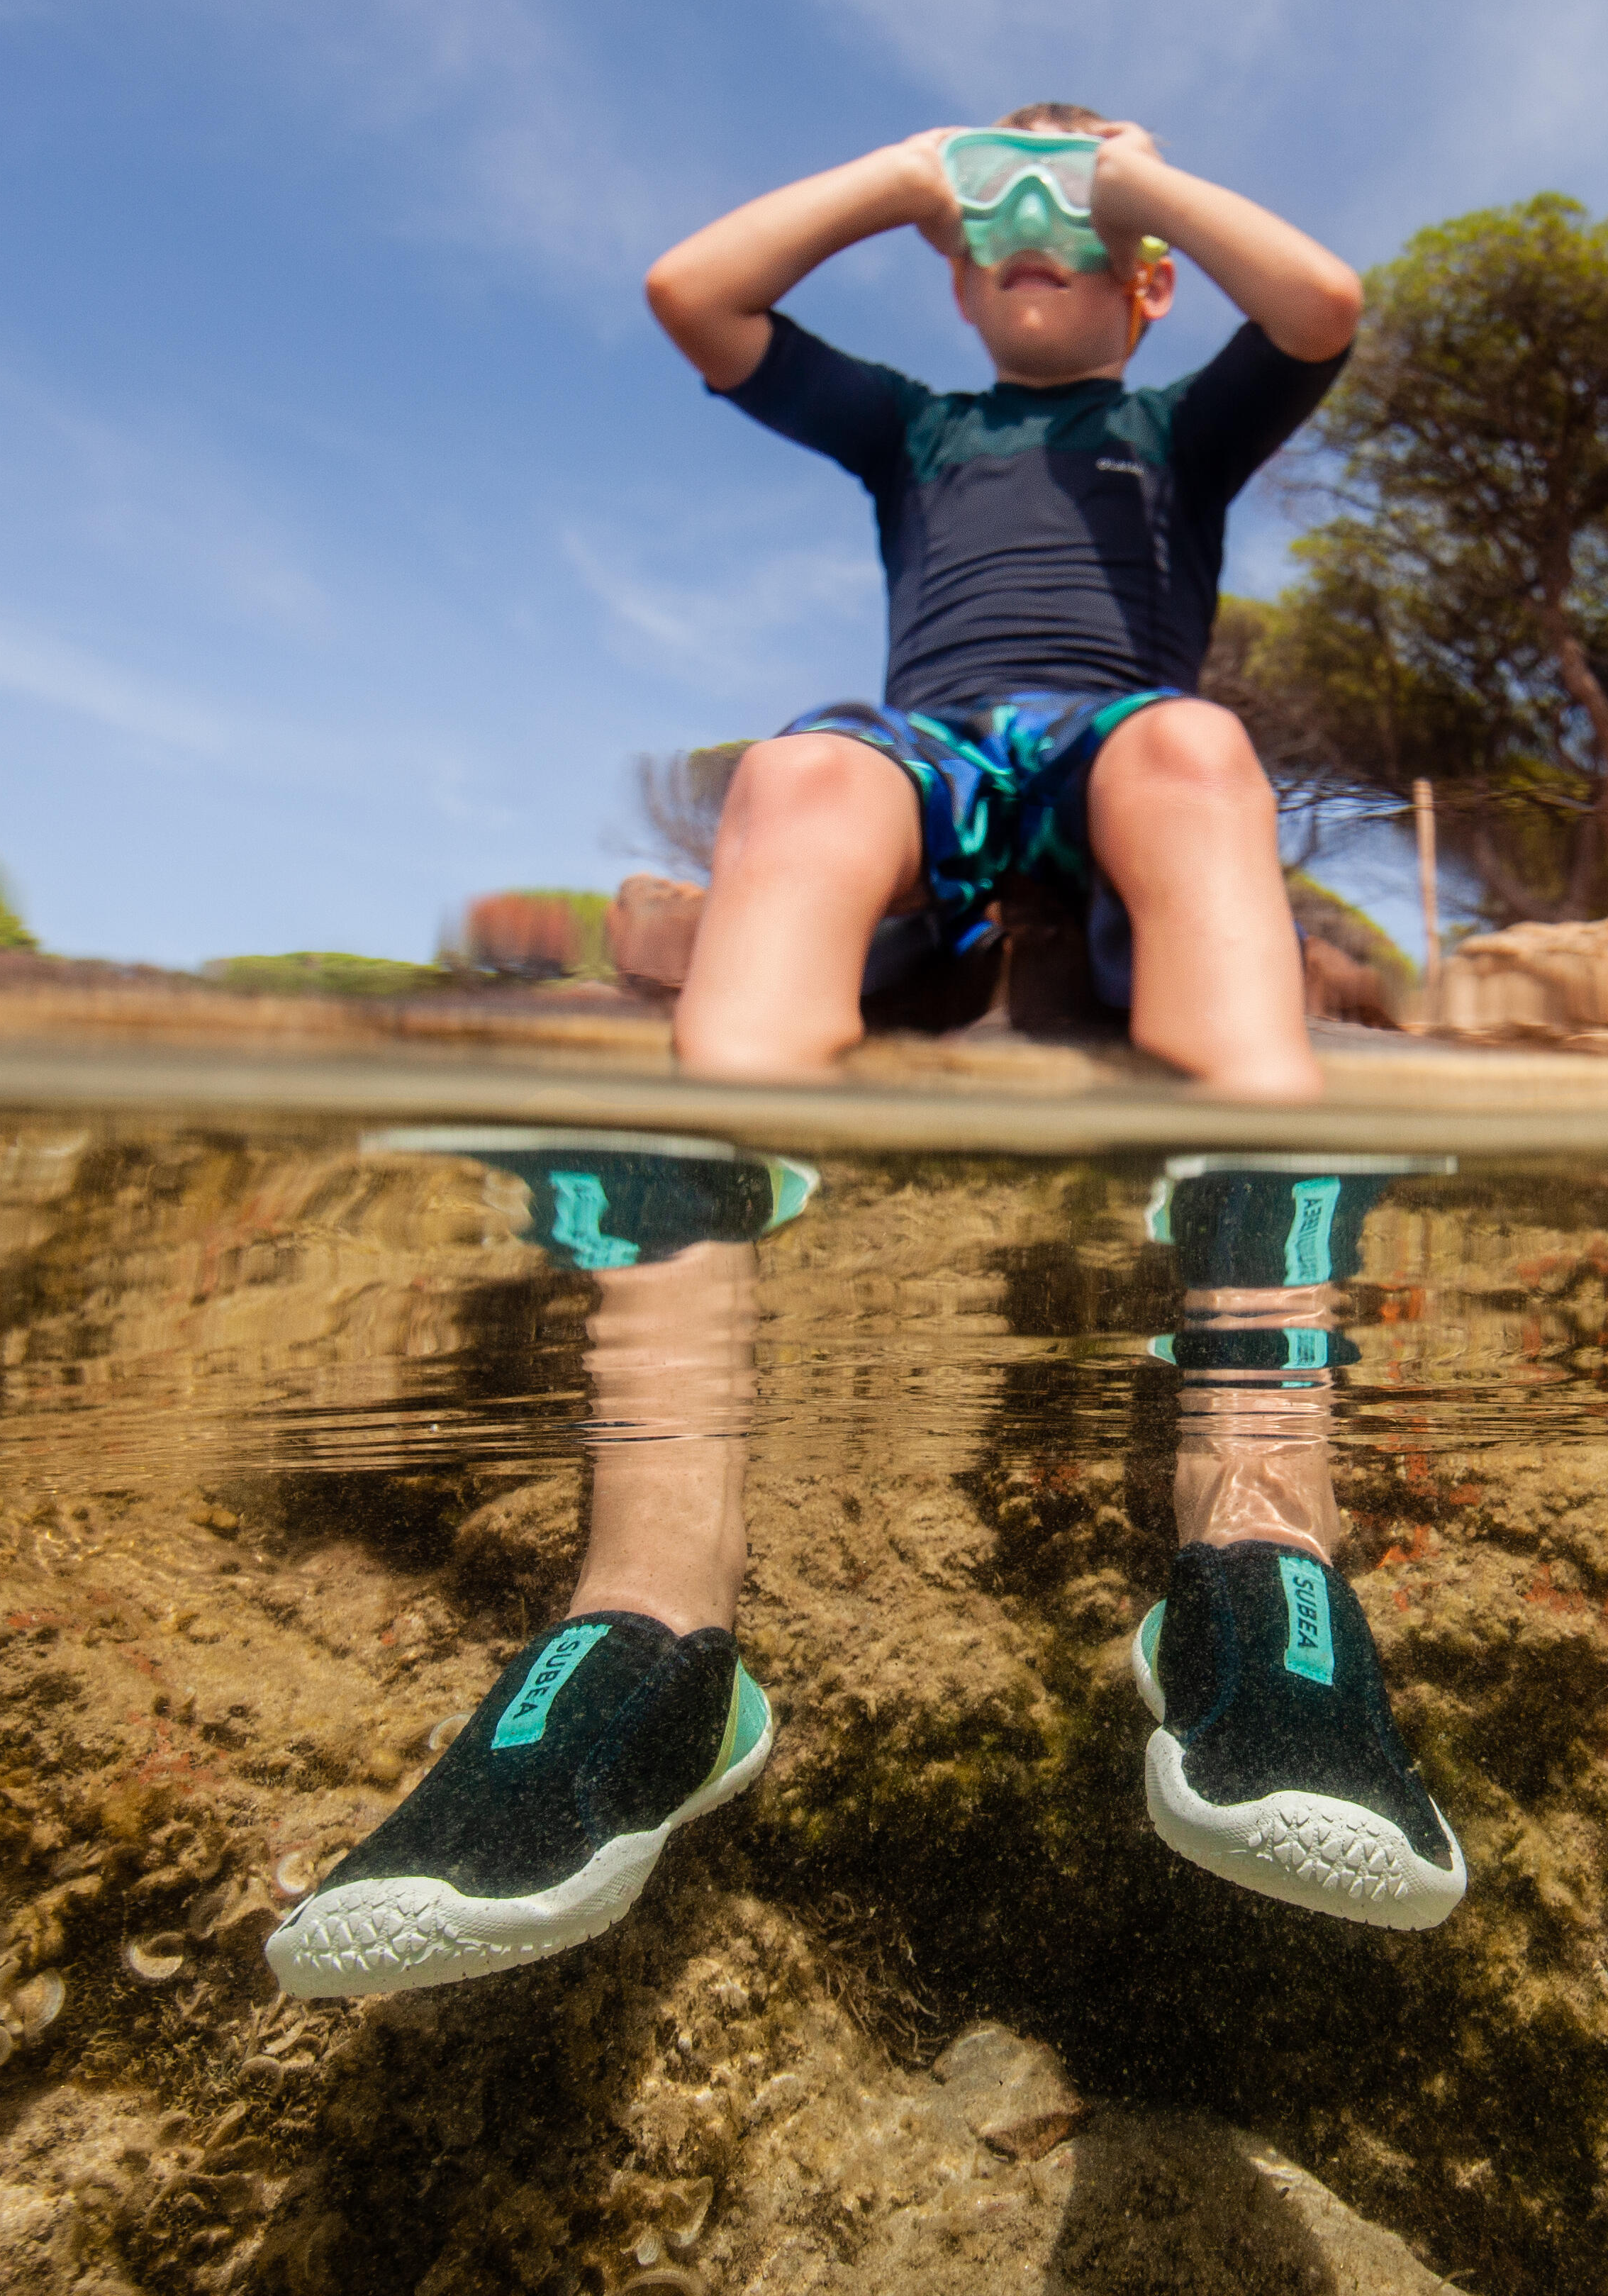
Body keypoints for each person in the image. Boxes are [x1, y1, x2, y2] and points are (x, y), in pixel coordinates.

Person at [266, 118, 1463, 1998]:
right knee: (803, 770)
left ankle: (1256, 1572)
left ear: (1147, 276)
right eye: (997, 212)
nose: (1027, 225)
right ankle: (652, 1635)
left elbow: (1320, 302)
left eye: (1068, 215)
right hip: (929, 773)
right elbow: (695, 293)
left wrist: (1126, 180)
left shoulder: (1175, 430)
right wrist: (911, 172)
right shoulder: (919, 430)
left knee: (1197, 751)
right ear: (951, 261)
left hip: (1118, 758)